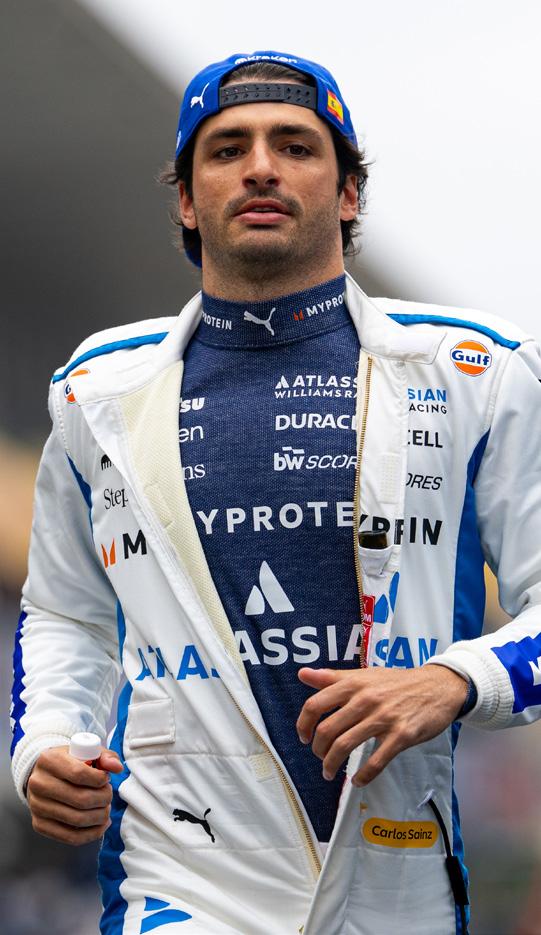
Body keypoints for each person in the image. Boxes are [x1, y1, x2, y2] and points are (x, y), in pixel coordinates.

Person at [10, 49, 541, 935]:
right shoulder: (96, 387)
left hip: (395, 879)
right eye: (226, 150)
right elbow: (65, 610)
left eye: (294, 145)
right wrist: (46, 746)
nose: (260, 166)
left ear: (348, 193)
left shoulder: (475, 370)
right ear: (187, 200)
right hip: (176, 881)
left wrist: (453, 679)